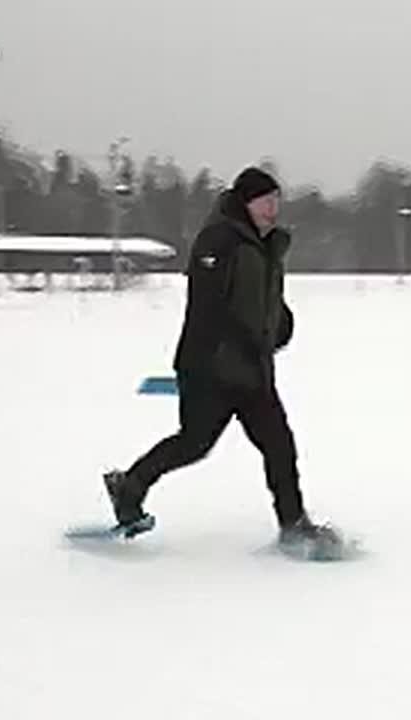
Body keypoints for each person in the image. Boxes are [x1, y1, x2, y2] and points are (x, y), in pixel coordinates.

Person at [103, 166, 338, 549]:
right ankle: (128, 487)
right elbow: (206, 306)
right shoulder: (218, 241)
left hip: (253, 371)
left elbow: (265, 299)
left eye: (276, 200)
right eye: (265, 201)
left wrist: (280, 326)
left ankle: (294, 524)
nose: (272, 208)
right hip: (210, 368)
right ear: (246, 203)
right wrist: (233, 344)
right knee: (193, 443)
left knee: (279, 445)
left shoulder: (267, 246)